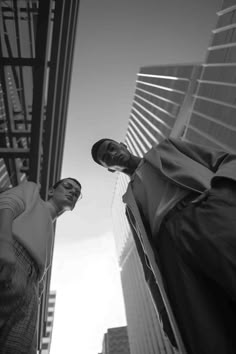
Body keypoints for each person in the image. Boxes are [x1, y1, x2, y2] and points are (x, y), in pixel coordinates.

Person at [91, 137, 236, 354]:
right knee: (206, 323)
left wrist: (222, 193)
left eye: (112, 148)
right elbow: (147, 265)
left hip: (204, 212)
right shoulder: (129, 204)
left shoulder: (167, 148)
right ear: (110, 169)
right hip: (169, 250)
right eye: (106, 158)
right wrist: (164, 313)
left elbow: (225, 159)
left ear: (123, 145)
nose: (112, 154)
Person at [0, 177, 82, 354]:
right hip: (11, 257)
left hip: (31, 288)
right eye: (68, 186)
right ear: (51, 191)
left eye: (77, 193)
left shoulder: (50, 230)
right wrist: (4, 243)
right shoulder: (32, 191)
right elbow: (6, 206)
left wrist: (36, 291)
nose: (73, 192)